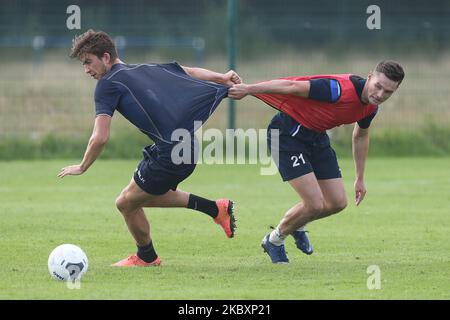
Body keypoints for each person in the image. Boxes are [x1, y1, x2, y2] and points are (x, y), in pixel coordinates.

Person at [58, 30, 240, 267]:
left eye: (88, 62)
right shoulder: (145, 69)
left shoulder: (107, 85)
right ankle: (216, 209)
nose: (86, 70)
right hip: (184, 147)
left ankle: (147, 257)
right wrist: (222, 77)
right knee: (136, 198)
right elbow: (189, 72)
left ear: (105, 57)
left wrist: (82, 166)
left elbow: (100, 137)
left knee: (126, 203)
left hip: (170, 155)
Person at [229, 61, 405, 263]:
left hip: (317, 138)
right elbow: (292, 86)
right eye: (378, 86)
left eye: (388, 92)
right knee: (314, 204)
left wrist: (360, 178)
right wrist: (249, 89)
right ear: (370, 76)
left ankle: (297, 224)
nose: (380, 95)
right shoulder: (337, 89)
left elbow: (361, 136)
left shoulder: (371, 108)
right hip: (287, 135)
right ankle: (274, 240)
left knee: (337, 203)